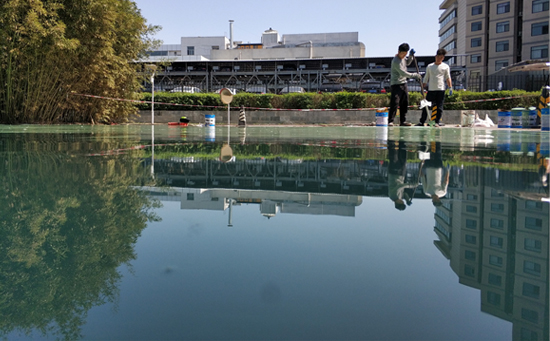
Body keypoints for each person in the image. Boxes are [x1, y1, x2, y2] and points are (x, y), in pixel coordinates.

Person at [388, 43, 422, 127]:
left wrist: (410, 56)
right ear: (398, 51)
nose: (403, 55)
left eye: (405, 54)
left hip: (404, 83)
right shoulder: (395, 61)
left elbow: (408, 63)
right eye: (402, 54)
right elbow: (403, 73)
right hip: (396, 84)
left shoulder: (403, 58)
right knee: (395, 102)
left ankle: (403, 121)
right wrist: (414, 75)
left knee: (405, 102)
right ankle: (390, 121)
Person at [417, 48, 452, 127]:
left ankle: (437, 121)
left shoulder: (445, 66)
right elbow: (426, 77)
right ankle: (422, 121)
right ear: (436, 56)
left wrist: (450, 87)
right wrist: (422, 87)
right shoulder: (430, 66)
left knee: (439, 107)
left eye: (442, 58)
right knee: (426, 106)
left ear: (443, 58)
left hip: (441, 89)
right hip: (431, 89)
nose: (440, 59)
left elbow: (448, 77)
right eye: (439, 57)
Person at [387, 139, 415, 210]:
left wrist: (411, 185)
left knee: (394, 155)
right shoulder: (400, 197)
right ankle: (402, 142)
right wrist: (408, 199)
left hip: (394, 172)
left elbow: (399, 187)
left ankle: (391, 140)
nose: (402, 201)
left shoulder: (392, 196)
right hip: (401, 174)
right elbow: (404, 194)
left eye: (402, 202)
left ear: (398, 203)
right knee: (403, 156)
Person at [420, 141, 449, 206]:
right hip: (438, 168)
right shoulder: (443, 193)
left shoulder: (427, 192)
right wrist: (447, 171)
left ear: (432, 200)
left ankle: (424, 141)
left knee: (426, 154)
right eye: (438, 200)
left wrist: (421, 169)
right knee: (437, 153)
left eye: (436, 200)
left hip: (428, 168)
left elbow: (423, 180)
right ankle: (435, 141)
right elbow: (446, 182)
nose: (437, 199)